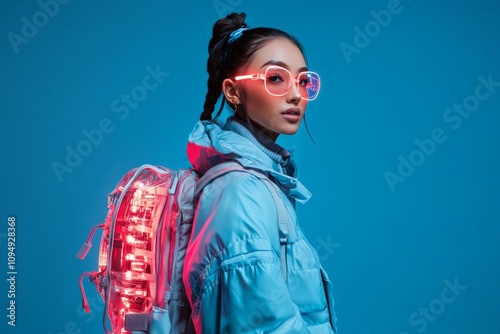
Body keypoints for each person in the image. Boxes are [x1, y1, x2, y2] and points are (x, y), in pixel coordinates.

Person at [182, 12, 338, 333]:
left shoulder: (264, 181)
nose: (296, 94)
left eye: (303, 80)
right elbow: (263, 326)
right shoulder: (240, 190)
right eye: (276, 78)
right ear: (233, 91)